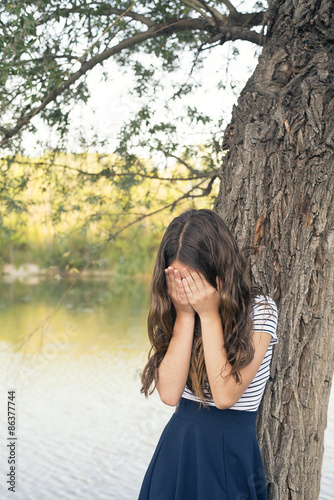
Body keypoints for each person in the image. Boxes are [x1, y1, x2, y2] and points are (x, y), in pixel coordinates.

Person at [138, 208, 278, 500]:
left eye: (192, 280)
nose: (185, 289)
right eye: (178, 280)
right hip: (179, 451)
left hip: (228, 453)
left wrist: (210, 315)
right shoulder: (179, 312)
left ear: (217, 270)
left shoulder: (260, 311)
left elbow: (226, 396)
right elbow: (170, 394)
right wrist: (186, 316)